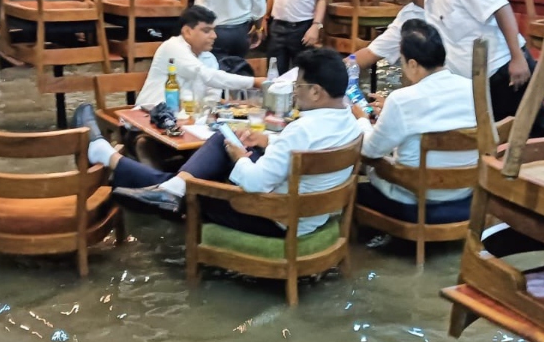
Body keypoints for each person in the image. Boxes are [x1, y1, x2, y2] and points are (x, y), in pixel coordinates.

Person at [74, 48, 360, 237]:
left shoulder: (302, 130)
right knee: (224, 135)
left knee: (200, 182)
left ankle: (114, 159)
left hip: (274, 217)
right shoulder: (349, 121)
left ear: (316, 92)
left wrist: (240, 156)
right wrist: (269, 140)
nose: (294, 94)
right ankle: (169, 187)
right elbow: (304, 150)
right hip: (310, 215)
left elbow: (256, 183)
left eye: (298, 87)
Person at [362, 0, 544, 137]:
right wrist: (342, 67)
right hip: (472, 89)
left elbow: (500, 7)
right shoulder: (409, 16)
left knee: (537, 132)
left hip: (506, 70)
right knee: (495, 142)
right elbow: (373, 51)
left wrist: (517, 57)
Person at [353, 19, 477, 226]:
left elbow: (369, 151)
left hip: (414, 200)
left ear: (412, 63)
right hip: (464, 195)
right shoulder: (473, 89)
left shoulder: (402, 99)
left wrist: (363, 121)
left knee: (357, 178)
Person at [134, 5, 263, 107]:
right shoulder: (173, 47)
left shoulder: (209, 59)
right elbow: (205, 75)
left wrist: (228, 105)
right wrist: (254, 82)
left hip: (184, 120)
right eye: (206, 31)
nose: (214, 36)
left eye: (214, 30)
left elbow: (212, 97)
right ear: (187, 32)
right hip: (149, 115)